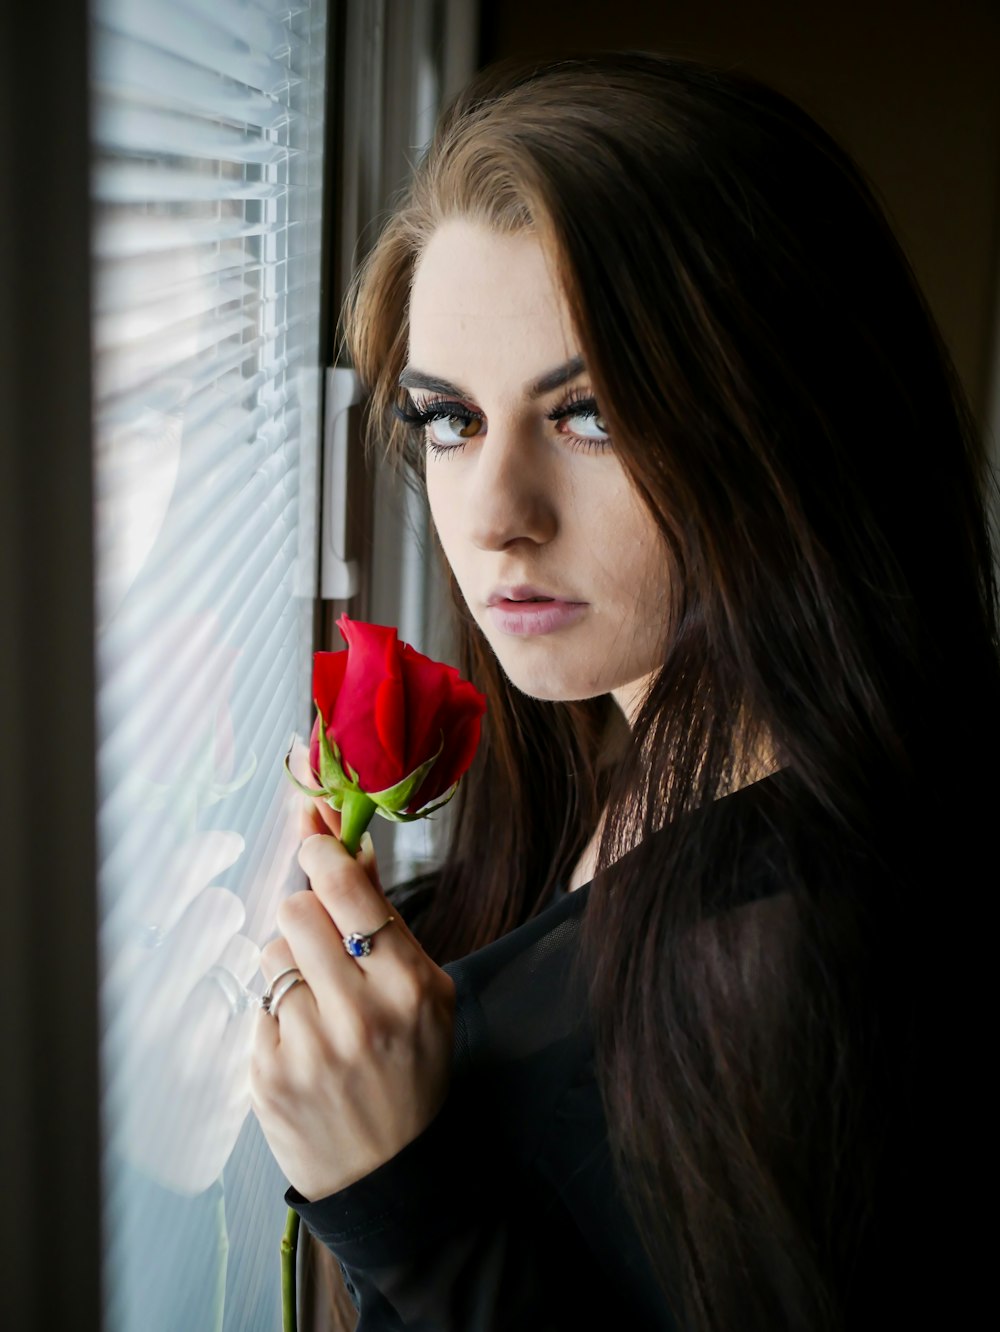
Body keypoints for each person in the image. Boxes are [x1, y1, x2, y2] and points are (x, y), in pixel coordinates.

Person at [249, 49, 1000, 1332]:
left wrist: (401, 1202)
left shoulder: (789, 957)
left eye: (591, 413)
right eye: (450, 420)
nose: (495, 519)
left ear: (788, 421)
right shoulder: (637, 764)